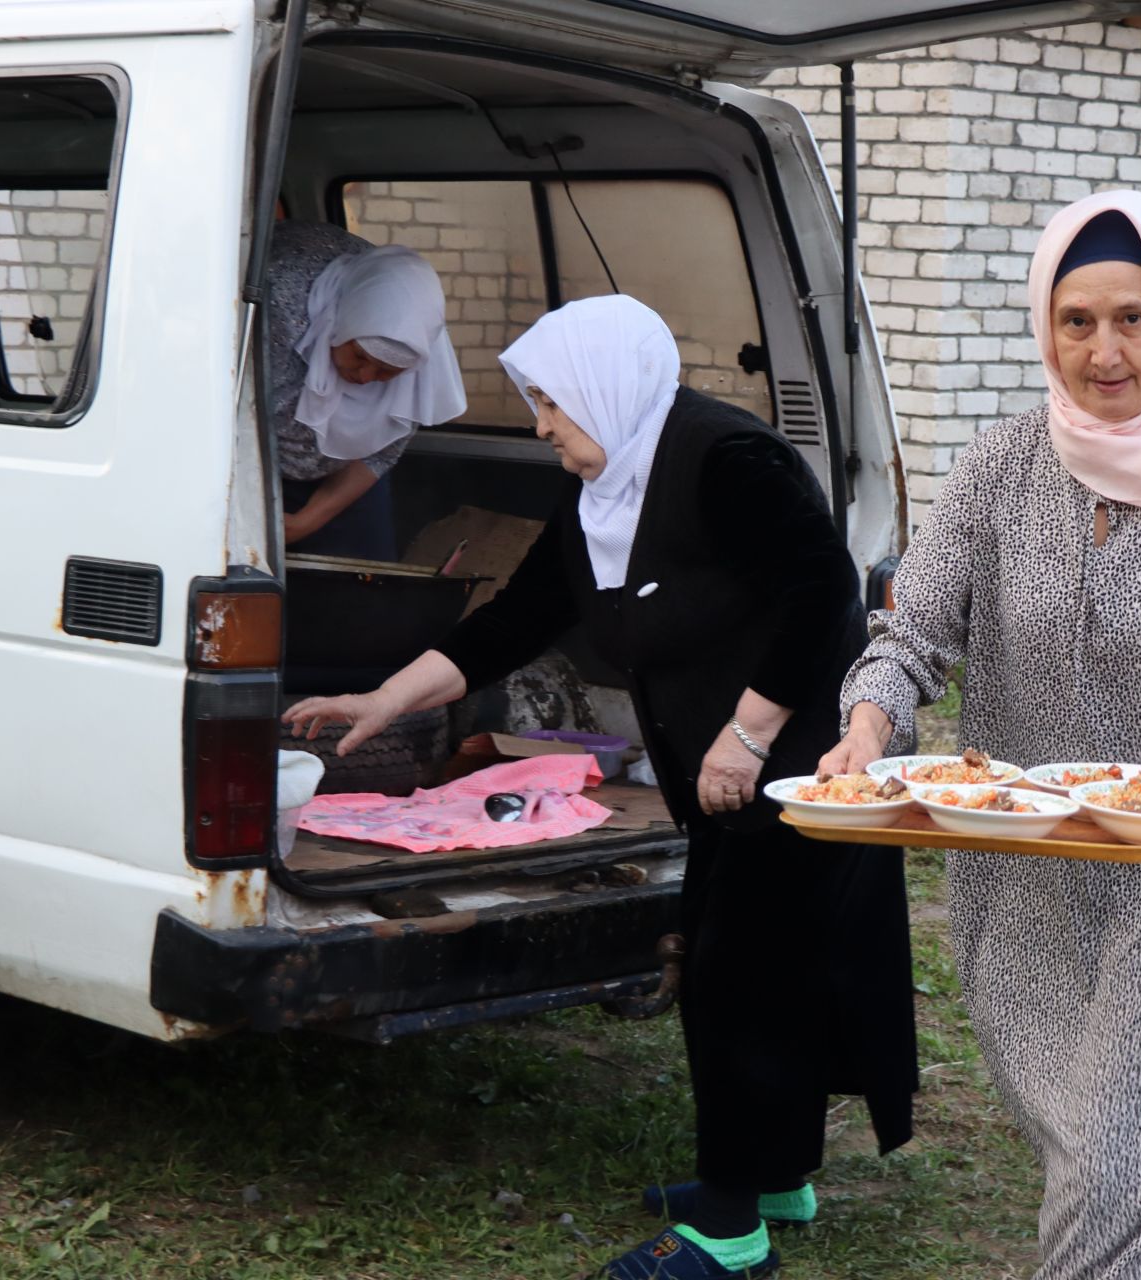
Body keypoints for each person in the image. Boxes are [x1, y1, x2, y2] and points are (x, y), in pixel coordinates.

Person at [284, 295, 917, 1280]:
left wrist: (748, 733)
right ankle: (773, 1174)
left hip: (793, 762)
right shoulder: (603, 488)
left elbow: (821, 584)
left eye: (549, 402)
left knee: (739, 974)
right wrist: (380, 698)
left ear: (602, 387)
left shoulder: (722, 460)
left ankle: (730, 1224)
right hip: (719, 775)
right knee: (744, 966)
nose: (541, 425)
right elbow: (510, 623)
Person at [821, 190, 1141, 1280]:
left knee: (1116, 1169)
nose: (1103, 350)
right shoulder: (999, 465)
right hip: (1020, 866)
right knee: (1096, 1162)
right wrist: (868, 725)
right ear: (1044, 325)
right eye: (1077, 320)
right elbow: (913, 635)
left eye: (1133, 319)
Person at [264, 220, 465, 558]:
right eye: (359, 356)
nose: (366, 376)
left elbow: (381, 450)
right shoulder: (278, 304)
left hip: (346, 482)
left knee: (363, 591)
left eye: (388, 371)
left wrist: (306, 522)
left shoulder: (419, 350)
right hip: (252, 466)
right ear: (340, 324)